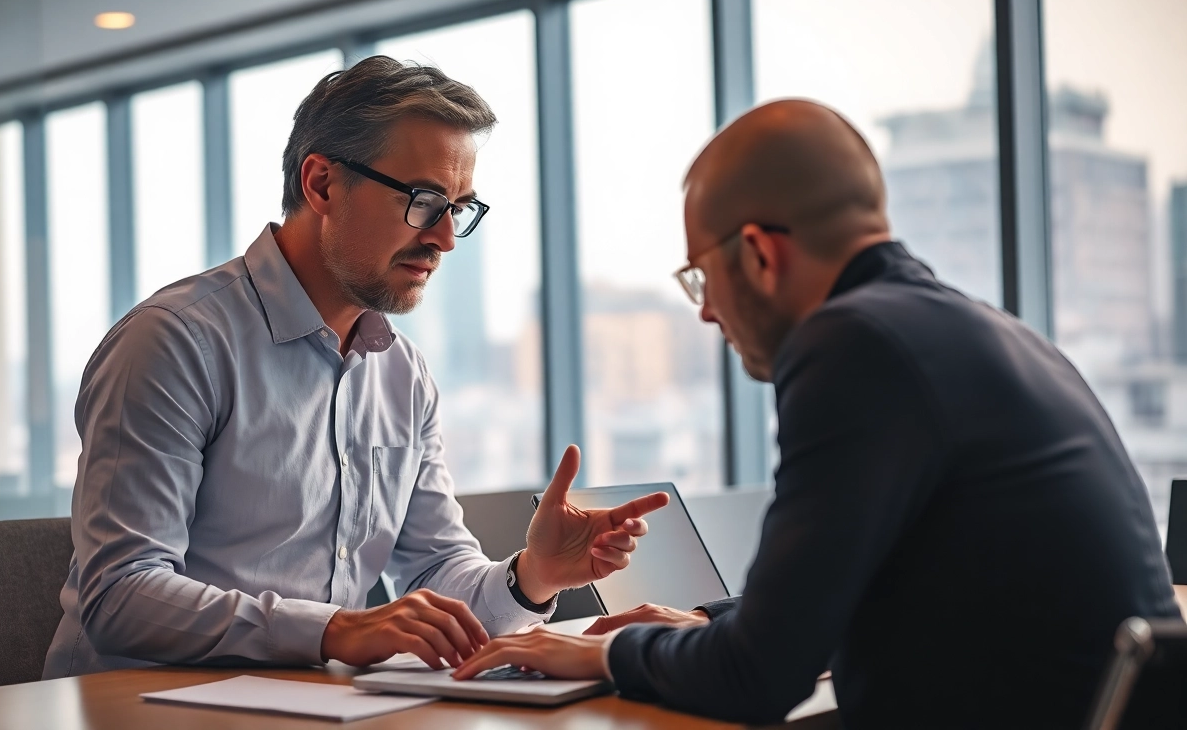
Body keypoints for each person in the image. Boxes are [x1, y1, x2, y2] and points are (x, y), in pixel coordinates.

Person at [452, 99, 1180, 728]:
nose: (704, 311)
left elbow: (757, 679)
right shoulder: (978, 331)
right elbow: (858, 594)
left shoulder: (853, 344)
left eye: (702, 276)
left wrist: (603, 649)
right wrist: (709, 621)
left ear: (761, 255)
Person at [42, 56, 667, 679]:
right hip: (140, 708)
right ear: (322, 186)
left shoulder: (402, 373)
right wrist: (337, 628)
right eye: (424, 201)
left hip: (306, 705)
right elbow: (120, 595)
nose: (446, 238)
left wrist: (533, 575)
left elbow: (436, 573)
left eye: (460, 208)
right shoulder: (177, 342)